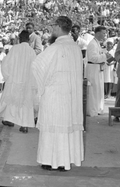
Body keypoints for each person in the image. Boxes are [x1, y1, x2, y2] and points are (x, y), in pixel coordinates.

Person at [32, 16, 84, 171]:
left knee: (52, 127)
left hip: (55, 95)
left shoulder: (55, 47)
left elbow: (37, 66)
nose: (51, 29)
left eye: (53, 26)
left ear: (58, 27)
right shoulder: (75, 48)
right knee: (65, 127)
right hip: (70, 96)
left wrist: (41, 87)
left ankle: (49, 160)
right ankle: (63, 162)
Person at [0, 30, 37, 133]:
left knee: (12, 101)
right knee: (25, 103)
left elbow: (5, 63)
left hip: (14, 80)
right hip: (27, 82)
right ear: (29, 39)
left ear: (19, 38)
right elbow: (35, 68)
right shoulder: (31, 51)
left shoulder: (15, 49)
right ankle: (24, 125)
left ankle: (10, 120)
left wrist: (7, 77)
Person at [85, 26, 111, 117]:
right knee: (93, 90)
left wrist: (104, 56)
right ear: (98, 33)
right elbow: (92, 58)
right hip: (93, 68)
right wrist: (105, 56)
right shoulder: (92, 44)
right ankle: (92, 110)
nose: (105, 35)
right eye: (103, 33)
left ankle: (98, 108)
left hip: (98, 68)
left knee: (98, 90)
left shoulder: (97, 43)